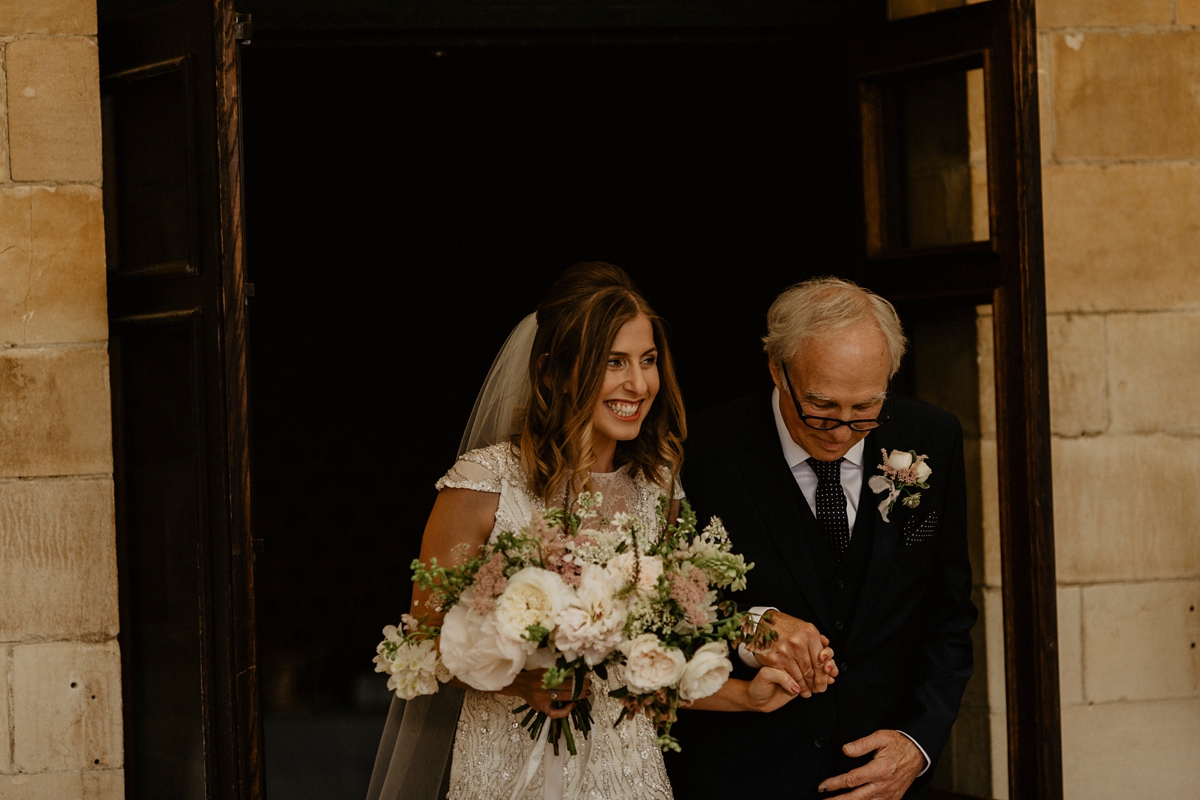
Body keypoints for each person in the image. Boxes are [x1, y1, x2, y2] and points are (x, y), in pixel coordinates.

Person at [368, 262, 813, 800]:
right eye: (613, 363)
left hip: (627, 771)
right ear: (555, 370)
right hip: (507, 769)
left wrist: (748, 696)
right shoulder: (485, 482)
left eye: (648, 361)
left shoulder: (659, 486)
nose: (639, 384)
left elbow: (652, 661)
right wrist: (521, 679)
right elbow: (424, 641)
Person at [667, 276, 977, 799]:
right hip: (743, 776)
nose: (841, 429)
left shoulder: (933, 438)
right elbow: (659, 623)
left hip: (886, 782)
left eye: (866, 409)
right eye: (822, 407)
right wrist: (751, 633)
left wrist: (916, 745)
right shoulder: (699, 454)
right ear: (777, 369)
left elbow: (947, 617)